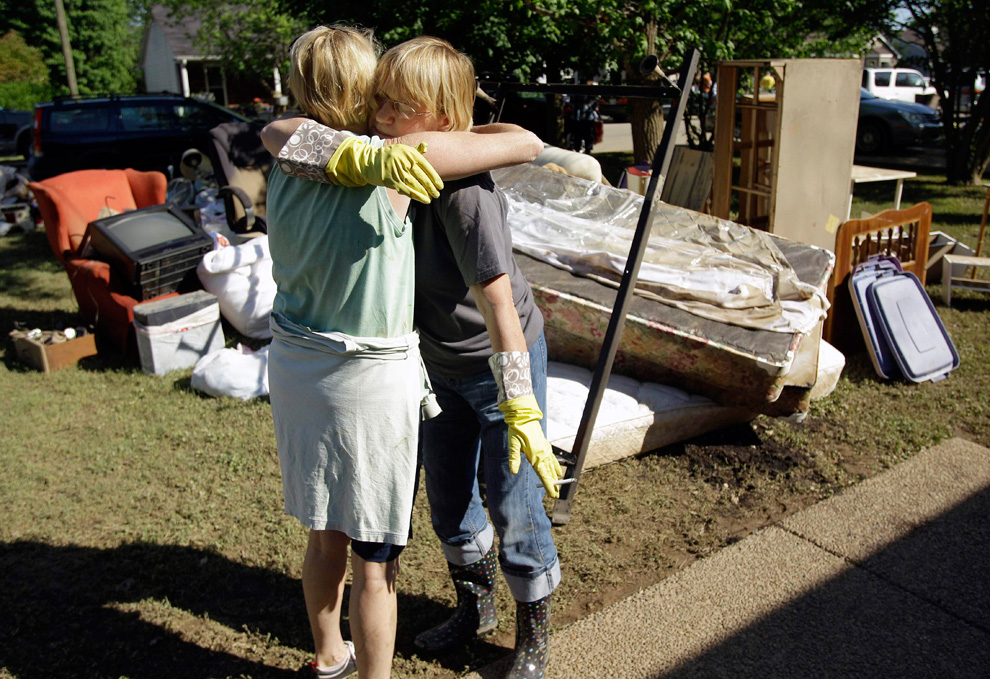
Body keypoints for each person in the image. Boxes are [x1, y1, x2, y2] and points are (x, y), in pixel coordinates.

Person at [266, 36, 563, 679]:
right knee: (450, 505)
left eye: (403, 106)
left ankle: (533, 631)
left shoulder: (463, 193)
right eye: (382, 101)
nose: (385, 117)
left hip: (493, 360)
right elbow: (281, 132)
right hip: (432, 370)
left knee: (515, 505)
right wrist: (372, 149)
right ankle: (475, 608)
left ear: (444, 115)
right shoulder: (369, 162)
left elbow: (502, 307)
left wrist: (520, 400)